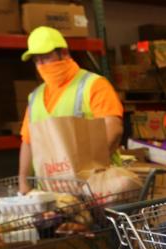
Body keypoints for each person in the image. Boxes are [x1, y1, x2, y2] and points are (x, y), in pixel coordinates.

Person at [18, 26, 124, 193]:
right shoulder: (35, 98)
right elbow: (28, 143)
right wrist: (23, 183)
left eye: (46, 57)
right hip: (52, 193)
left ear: (64, 53)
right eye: (37, 60)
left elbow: (113, 127)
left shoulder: (93, 84)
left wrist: (89, 172)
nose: (41, 65)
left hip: (97, 189)